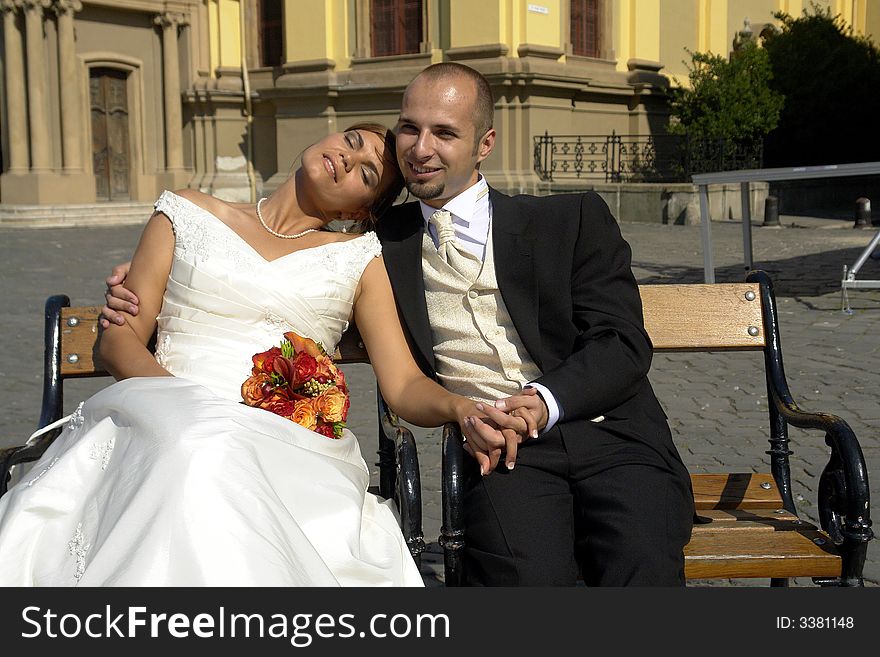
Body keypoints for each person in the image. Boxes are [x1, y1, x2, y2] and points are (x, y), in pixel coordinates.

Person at [105, 64, 696, 587]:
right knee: (524, 580)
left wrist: (542, 402)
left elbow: (621, 344)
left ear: (484, 142)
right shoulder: (375, 247)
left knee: (640, 569)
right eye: (410, 128)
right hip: (501, 452)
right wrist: (172, 270)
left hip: (610, 435)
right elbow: (285, 286)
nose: (420, 148)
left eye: (445, 132)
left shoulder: (568, 218)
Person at [0, 122, 530, 587]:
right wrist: (188, 407)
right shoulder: (186, 211)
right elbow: (118, 339)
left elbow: (403, 385)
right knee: (199, 444)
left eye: (366, 173)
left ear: (360, 210)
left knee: (208, 452)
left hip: (277, 441)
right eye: (350, 142)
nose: (348, 158)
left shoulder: (358, 258)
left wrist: (461, 407)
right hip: (158, 409)